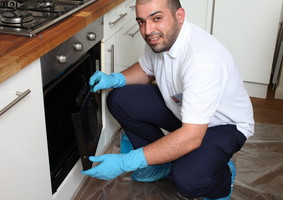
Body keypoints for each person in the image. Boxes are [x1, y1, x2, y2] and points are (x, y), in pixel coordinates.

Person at [81, 0, 255, 199]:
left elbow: (192, 135)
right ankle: (158, 163)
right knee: (120, 98)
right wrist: (115, 79)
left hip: (222, 125)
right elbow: (146, 69)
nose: (148, 30)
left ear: (179, 16)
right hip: (183, 110)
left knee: (187, 179)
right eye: (141, 22)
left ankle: (222, 177)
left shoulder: (202, 60)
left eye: (157, 18)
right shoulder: (162, 40)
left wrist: (127, 162)